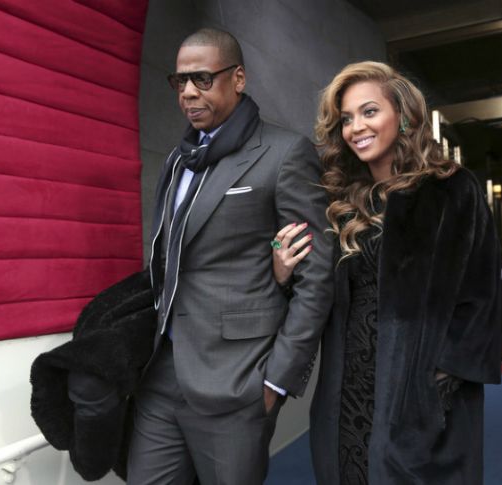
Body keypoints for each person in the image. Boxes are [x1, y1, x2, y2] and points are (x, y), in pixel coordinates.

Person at [272, 61, 501, 485]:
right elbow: (319, 297)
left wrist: (438, 385)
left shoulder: (452, 189)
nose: (356, 127)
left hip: (420, 387)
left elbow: (481, 295)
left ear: (404, 115)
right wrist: (284, 274)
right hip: (348, 384)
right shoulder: (341, 202)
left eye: (369, 111)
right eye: (346, 118)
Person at [127, 28, 334, 485]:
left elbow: (317, 277)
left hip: (237, 380)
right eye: (179, 81)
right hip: (163, 374)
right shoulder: (177, 160)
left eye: (202, 79)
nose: (188, 92)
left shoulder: (285, 153)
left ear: (238, 78)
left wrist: (276, 381)